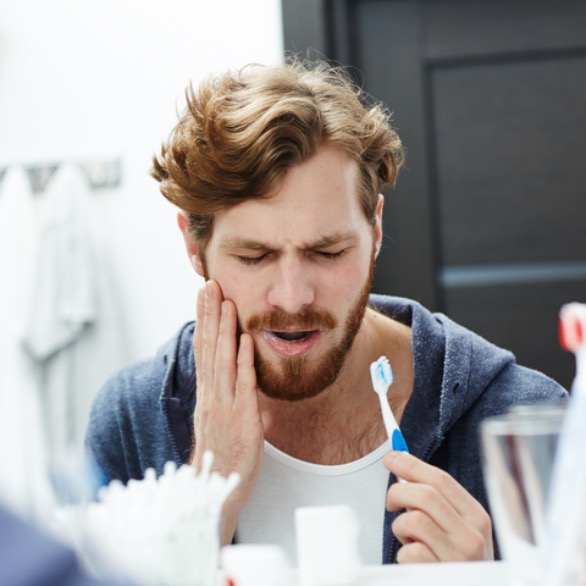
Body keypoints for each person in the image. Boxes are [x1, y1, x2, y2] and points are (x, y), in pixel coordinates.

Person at [85, 58, 567, 566]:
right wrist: (205, 515)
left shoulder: (530, 422)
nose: (293, 298)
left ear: (375, 230)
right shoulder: (131, 424)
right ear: (192, 244)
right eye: (255, 257)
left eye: (328, 252)